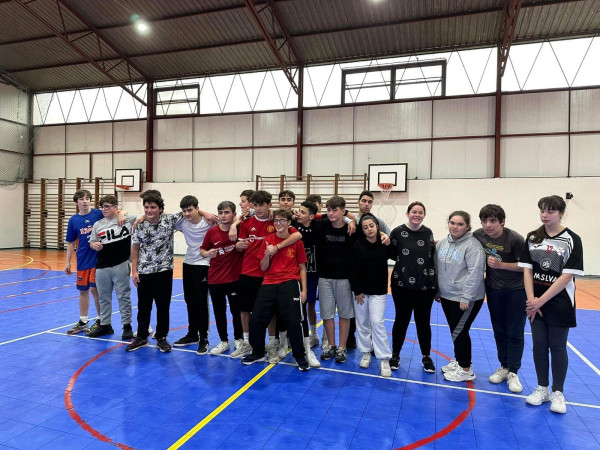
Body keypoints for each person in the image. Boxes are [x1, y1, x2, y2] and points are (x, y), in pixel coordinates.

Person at [520, 195, 583, 414]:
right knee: (539, 345)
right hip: (535, 304)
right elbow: (527, 270)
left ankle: (558, 392)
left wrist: (541, 300)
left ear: (561, 213)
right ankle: (542, 388)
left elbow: (567, 276)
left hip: (559, 302)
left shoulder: (572, 239)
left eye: (550, 211)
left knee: (557, 347)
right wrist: (532, 301)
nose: (545, 215)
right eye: (542, 210)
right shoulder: (532, 237)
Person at [234, 191, 301, 362]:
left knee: (270, 312)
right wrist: (238, 244)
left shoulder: (276, 221)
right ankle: (248, 343)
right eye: (255, 205)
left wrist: (276, 247)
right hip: (248, 271)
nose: (258, 208)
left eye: (261, 205)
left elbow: (297, 235)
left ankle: (271, 344)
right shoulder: (246, 222)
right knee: (245, 309)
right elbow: (240, 247)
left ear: (269, 205)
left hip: (267, 275)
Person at [242, 209, 310, 372]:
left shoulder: (296, 241)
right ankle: (258, 352)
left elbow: (302, 267)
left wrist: (304, 290)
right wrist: (267, 254)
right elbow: (263, 267)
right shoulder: (268, 240)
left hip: (290, 282)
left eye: (282, 220)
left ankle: (300, 356)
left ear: (289, 223)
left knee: (294, 321)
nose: (278, 224)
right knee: (256, 318)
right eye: (276, 221)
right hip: (269, 282)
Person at [473, 204, 527, 393]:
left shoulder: (515, 239)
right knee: (499, 330)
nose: (488, 225)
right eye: (484, 221)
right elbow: (462, 239)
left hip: (516, 291)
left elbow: (526, 266)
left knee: (515, 331)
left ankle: (514, 372)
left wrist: (501, 265)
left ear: (502, 221)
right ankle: (504, 366)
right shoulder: (479, 235)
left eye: (493, 221)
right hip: (494, 290)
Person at [126, 192, 181, 353]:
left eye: (153, 207)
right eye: (147, 207)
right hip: (144, 271)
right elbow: (135, 248)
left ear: (160, 209)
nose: (149, 210)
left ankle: (161, 337)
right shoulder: (139, 225)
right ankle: (142, 337)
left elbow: (190, 212)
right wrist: (134, 271)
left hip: (164, 271)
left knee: (163, 306)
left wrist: (205, 213)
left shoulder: (169, 220)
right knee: (143, 306)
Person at [435, 211, 486, 382]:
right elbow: (438, 268)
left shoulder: (473, 246)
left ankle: (466, 369)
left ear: (467, 226)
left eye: (460, 224)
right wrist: (438, 290)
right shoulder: (442, 243)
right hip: (447, 295)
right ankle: (459, 361)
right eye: (452, 223)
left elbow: (475, 273)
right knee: (454, 330)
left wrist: (466, 297)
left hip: (467, 298)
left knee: (460, 331)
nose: (455, 227)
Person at [388, 201, 437, 373]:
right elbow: (390, 253)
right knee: (401, 320)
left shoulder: (428, 233)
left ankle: (426, 356)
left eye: (420, 212)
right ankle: (395, 355)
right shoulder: (397, 232)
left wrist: (435, 285)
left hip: (425, 287)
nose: (417, 215)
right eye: (414, 212)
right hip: (401, 286)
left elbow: (431, 258)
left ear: (424, 215)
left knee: (423, 322)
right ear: (408, 213)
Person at [314, 196, 357, 364]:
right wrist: (347, 218)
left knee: (345, 314)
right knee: (327, 314)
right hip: (324, 278)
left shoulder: (351, 230)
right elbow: (312, 217)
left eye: (335, 210)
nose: (331, 213)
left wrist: (349, 220)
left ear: (343, 211)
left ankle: (342, 347)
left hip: (344, 279)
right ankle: (331, 346)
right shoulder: (322, 225)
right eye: (329, 210)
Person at [347, 190, 392, 349]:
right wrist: (348, 217)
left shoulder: (379, 222)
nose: (366, 204)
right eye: (364, 201)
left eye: (370, 202)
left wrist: (385, 237)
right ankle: (354, 342)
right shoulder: (351, 220)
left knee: (375, 319)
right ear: (359, 201)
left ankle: (376, 347)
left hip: (375, 278)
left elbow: (389, 241)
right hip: (356, 276)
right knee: (357, 315)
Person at [172, 195, 217, 355]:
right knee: (189, 300)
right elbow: (161, 216)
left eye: (190, 210)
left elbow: (229, 220)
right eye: (184, 211)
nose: (187, 213)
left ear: (197, 208)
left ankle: (204, 338)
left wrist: (205, 213)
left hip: (204, 265)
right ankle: (192, 334)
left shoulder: (209, 221)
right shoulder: (182, 222)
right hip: (188, 263)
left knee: (201, 302)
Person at [350, 214, 392, 377]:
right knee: (362, 323)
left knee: (377, 322)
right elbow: (352, 268)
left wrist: (388, 241)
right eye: (365, 227)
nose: (369, 229)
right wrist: (357, 290)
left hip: (379, 291)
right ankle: (366, 352)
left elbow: (396, 255)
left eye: (371, 226)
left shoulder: (384, 243)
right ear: (362, 229)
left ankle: (384, 357)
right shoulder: (357, 245)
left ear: (377, 226)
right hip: (361, 292)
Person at [88, 195, 136, 340]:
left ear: (115, 207)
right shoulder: (98, 225)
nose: (104, 209)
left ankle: (127, 326)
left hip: (120, 264)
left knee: (123, 296)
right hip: (102, 266)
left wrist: (122, 213)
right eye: (102, 207)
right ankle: (105, 325)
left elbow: (145, 216)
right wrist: (94, 245)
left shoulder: (126, 220)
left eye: (107, 206)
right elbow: (92, 241)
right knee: (103, 297)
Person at [200, 201, 244, 356]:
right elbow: (202, 250)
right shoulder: (212, 232)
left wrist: (235, 225)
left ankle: (239, 338)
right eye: (220, 213)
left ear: (233, 214)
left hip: (234, 279)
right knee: (219, 312)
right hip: (215, 279)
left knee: (236, 311)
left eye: (226, 212)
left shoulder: (240, 228)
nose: (223, 215)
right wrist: (207, 253)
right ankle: (223, 341)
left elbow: (248, 215)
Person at [65, 189, 106, 334]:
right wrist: (67, 262)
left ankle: (101, 320)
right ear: (76, 202)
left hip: (97, 259)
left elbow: (116, 213)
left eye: (87, 199)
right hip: (82, 259)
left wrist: (122, 214)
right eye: (82, 199)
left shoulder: (98, 213)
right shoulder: (73, 220)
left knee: (95, 289)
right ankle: (83, 321)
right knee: (83, 291)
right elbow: (71, 242)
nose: (85, 201)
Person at [291, 201, 321, 367]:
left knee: (311, 304)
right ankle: (289, 341)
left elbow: (338, 216)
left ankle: (314, 336)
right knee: (297, 308)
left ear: (311, 216)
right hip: (295, 272)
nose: (299, 214)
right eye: (299, 211)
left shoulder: (318, 225)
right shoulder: (293, 225)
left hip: (313, 273)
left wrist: (349, 219)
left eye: (303, 212)